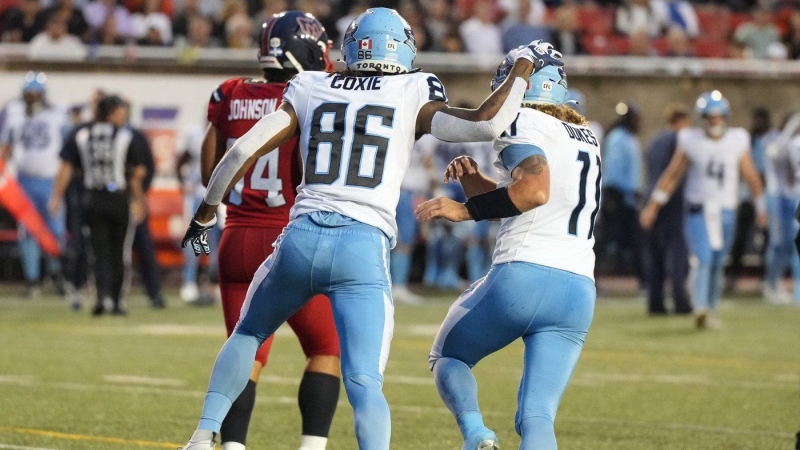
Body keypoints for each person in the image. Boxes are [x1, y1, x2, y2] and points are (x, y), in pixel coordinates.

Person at [178, 7, 559, 448]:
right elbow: (488, 122)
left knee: (247, 333)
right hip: (362, 247)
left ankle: (204, 433)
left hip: (299, 238)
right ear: (404, 48)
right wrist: (525, 66)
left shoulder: (310, 84)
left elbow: (240, 150)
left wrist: (205, 214)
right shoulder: (414, 87)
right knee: (363, 382)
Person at [417, 58, 600, 450]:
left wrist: (464, 210)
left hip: (523, 275)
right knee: (537, 416)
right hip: (577, 291)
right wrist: (474, 184)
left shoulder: (523, 123)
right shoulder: (585, 134)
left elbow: (533, 191)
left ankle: (477, 436)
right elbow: (523, 198)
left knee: (448, 356)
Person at [200, 11, 343, 450]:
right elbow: (309, 172)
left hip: (237, 239)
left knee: (246, 352)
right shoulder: (309, 94)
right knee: (325, 349)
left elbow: (212, 172)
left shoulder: (229, 94)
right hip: (289, 238)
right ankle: (312, 446)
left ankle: (233, 445)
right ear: (306, 52)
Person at [640, 91, 767, 329]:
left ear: (726, 117)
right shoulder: (691, 139)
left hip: (726, 210)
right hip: (698, 209)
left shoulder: (737, 139)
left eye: (718, 117)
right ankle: (700, 308)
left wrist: (761, 206)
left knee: (719, 262)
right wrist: (653, 206)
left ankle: (711, 310)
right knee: (703, 259)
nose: (714, 121)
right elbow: (672, 175)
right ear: (702, 118)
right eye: (709, 116)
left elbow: (750, 175)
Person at [49, 95, 149, 316]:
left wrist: (56, 197)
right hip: (118, 198)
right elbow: (136, 174)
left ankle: (102, 298)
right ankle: (117, 300)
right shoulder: (124, 135)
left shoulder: (83, 134)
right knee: (119, 252)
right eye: (121, 111)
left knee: (98, 251)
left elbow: (68, 167)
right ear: (112, 112)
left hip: (93, 198)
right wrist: (140, 201)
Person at [0, 71, 68, 298]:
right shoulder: (14, 112)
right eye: (28, 93)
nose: (31, 97)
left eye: (35, 94)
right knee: (28, 231)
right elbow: (6, 147)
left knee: (54, 230)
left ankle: (56, 274)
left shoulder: (58, 113)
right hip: (24, 181)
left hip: (50, 180)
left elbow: (67, 151)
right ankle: (32, 279)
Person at [643, 103, 692, 315]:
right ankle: (681, 302)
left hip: (649, 199)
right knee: (677, 256)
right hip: (673, 202)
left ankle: (655, 303)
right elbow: (674, 175)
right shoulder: (681, 140)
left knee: (655, 257)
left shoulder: (654, 141)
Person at [596, 102, 643, 280]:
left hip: (627, 198)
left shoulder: (630, 138)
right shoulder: (618, 138)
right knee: (605, 240)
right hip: (616, 196)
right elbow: (614, 174)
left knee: (633, 240)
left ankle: (644, 281)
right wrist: (632, 189)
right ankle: (594, 277)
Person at [764, 112, 800, 304]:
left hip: (791, 199)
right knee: (780, 245)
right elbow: (775, 155)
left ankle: (778, 285)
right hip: (781, 199)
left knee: (789, 246)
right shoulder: (778, 139)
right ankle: (771, 284)